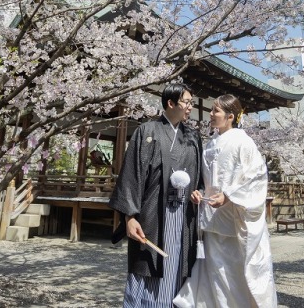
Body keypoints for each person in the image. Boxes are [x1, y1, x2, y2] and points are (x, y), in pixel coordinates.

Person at [173, 94, 277, 308]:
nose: (211, 114)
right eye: (211, 109)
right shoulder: (210, 143)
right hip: (211, 217)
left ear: (231, 116)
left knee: (233, 274)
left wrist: (229, 196)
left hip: (234, 219)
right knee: (215, 274)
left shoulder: (243, 142)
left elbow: (256, 177)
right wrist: (199, 192)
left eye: (216, 111)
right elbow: (206, 179)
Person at [109, 83, 203, 308]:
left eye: (191, 102)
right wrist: (129, 217)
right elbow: (131, 174)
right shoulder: (147, 131)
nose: (190, 106)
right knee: (148, 262)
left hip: (183, 215)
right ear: (170, 103)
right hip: (151, 214)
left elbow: (199, 176)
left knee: (177, 264)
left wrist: (199, 191)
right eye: (186, 102)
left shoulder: (192, 137)